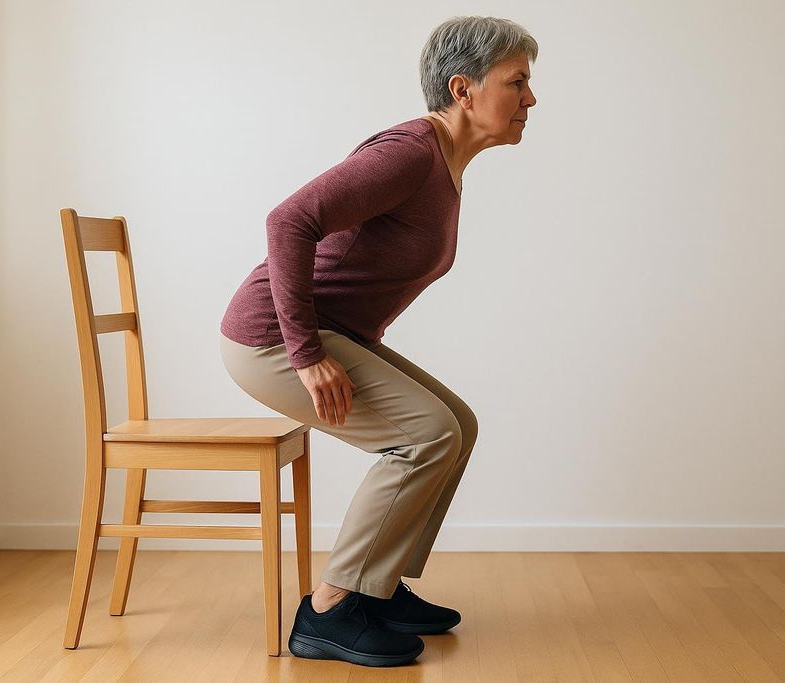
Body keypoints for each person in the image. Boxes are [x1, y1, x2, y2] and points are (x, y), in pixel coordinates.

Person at [219, 15, 538, 667]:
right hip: (270, 339)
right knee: (427, 432)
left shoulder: (441, 163)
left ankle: (379, 585)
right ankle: (332, 608)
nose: (530, 100)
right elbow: (289, 220)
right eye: (518, 82)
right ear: (463, 89)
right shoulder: (409, 152)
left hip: (324, 332)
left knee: (458, 424)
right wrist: (307, 354)